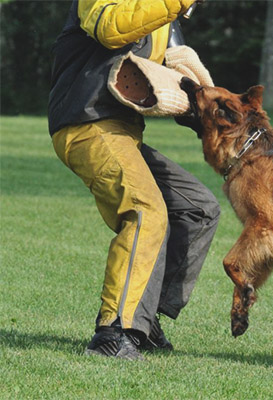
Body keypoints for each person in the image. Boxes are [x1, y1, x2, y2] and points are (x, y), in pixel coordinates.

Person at [48, 0, 220, 360]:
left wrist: (220, 113)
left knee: (197, 208)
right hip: (86, 125)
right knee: (145, 209)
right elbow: (110, 28)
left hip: (124, 134)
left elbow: (181, 64)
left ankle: (143, 316)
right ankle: (112, 334)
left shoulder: (165, 15)